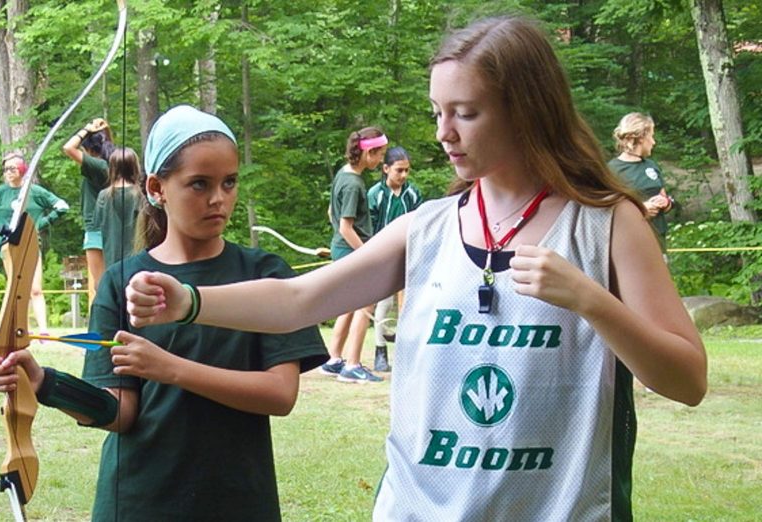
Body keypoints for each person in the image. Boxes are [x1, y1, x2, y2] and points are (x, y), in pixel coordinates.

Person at [123, 17, 707, 520]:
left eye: (466, 113)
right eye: (437, 111)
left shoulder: (604, 226)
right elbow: (298, 301)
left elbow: (687, 381)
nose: (442, 132)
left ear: (527, 110)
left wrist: (590, 301)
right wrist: (191, 303)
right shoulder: (427, 227)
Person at [0, 105, 327, 520]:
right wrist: (42, 382)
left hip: (235, 500)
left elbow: (279, 394)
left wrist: (171, 368)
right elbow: (121, 411)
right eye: (199, 184)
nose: (219, 198)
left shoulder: (263, 273)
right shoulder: (120, 280)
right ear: (157, 187)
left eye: (229, 182)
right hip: (138, 501)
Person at [0, 151, 68, 338]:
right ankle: (20, 327)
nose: (8, 172)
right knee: (16, 287)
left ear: (22, 170)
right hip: (8, 245)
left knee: (35, 288)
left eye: (12, 168)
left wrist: (40, 224)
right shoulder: (0, 193)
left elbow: (61, 206)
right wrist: (1, 227)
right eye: (5, 169)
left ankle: (43, 331)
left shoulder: (34, 192)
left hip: (31, 244)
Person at [322, 126, 387, 383]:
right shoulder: (353, 184)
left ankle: (334, 358)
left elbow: (330, 213)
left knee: (347, 306)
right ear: (368, 153)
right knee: (364, 305)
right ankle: (352, 365)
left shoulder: (343, 174)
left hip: (343, 248)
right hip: (351, 250)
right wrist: (365, 254)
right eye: (380, 154)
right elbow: (345, 226)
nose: (382, 159)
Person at [366, 146, 422, 372]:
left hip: (409, 255)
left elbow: (420, 224)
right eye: (399, 170)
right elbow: (368, 227)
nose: (404, 175)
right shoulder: (375, 194)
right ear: (386, 169)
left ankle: (406, 351)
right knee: (384, 302)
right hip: (383, 256)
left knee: (409, 303)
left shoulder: (413, 193)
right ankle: (380, 350)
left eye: (407, 170)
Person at [62, 118, 115, 302]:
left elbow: (68, 148)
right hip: (109, 225)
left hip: (95, 228)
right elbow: (108, 145)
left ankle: (103, 324)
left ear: (89, 149)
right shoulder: (111, 165)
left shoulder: (97, 166)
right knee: (111, 280)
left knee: (100, 284)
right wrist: (106, 131)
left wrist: (86, 129)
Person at [609, 112, 674, 253]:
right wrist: (640, 209)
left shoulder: (651, 165)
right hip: (630, 244)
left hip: (658, 241)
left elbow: (666, 198)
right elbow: (606, 211)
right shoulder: (612, 170)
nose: (654, 142)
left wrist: (666, 203)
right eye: (651, 136)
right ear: (640, 138)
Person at [92, 147, 145, 268]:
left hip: (111, 262)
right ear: (134, 167)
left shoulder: (103, 196)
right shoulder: (141, 195)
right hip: (139, 262)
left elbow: (96, 228)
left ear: (112, 168)